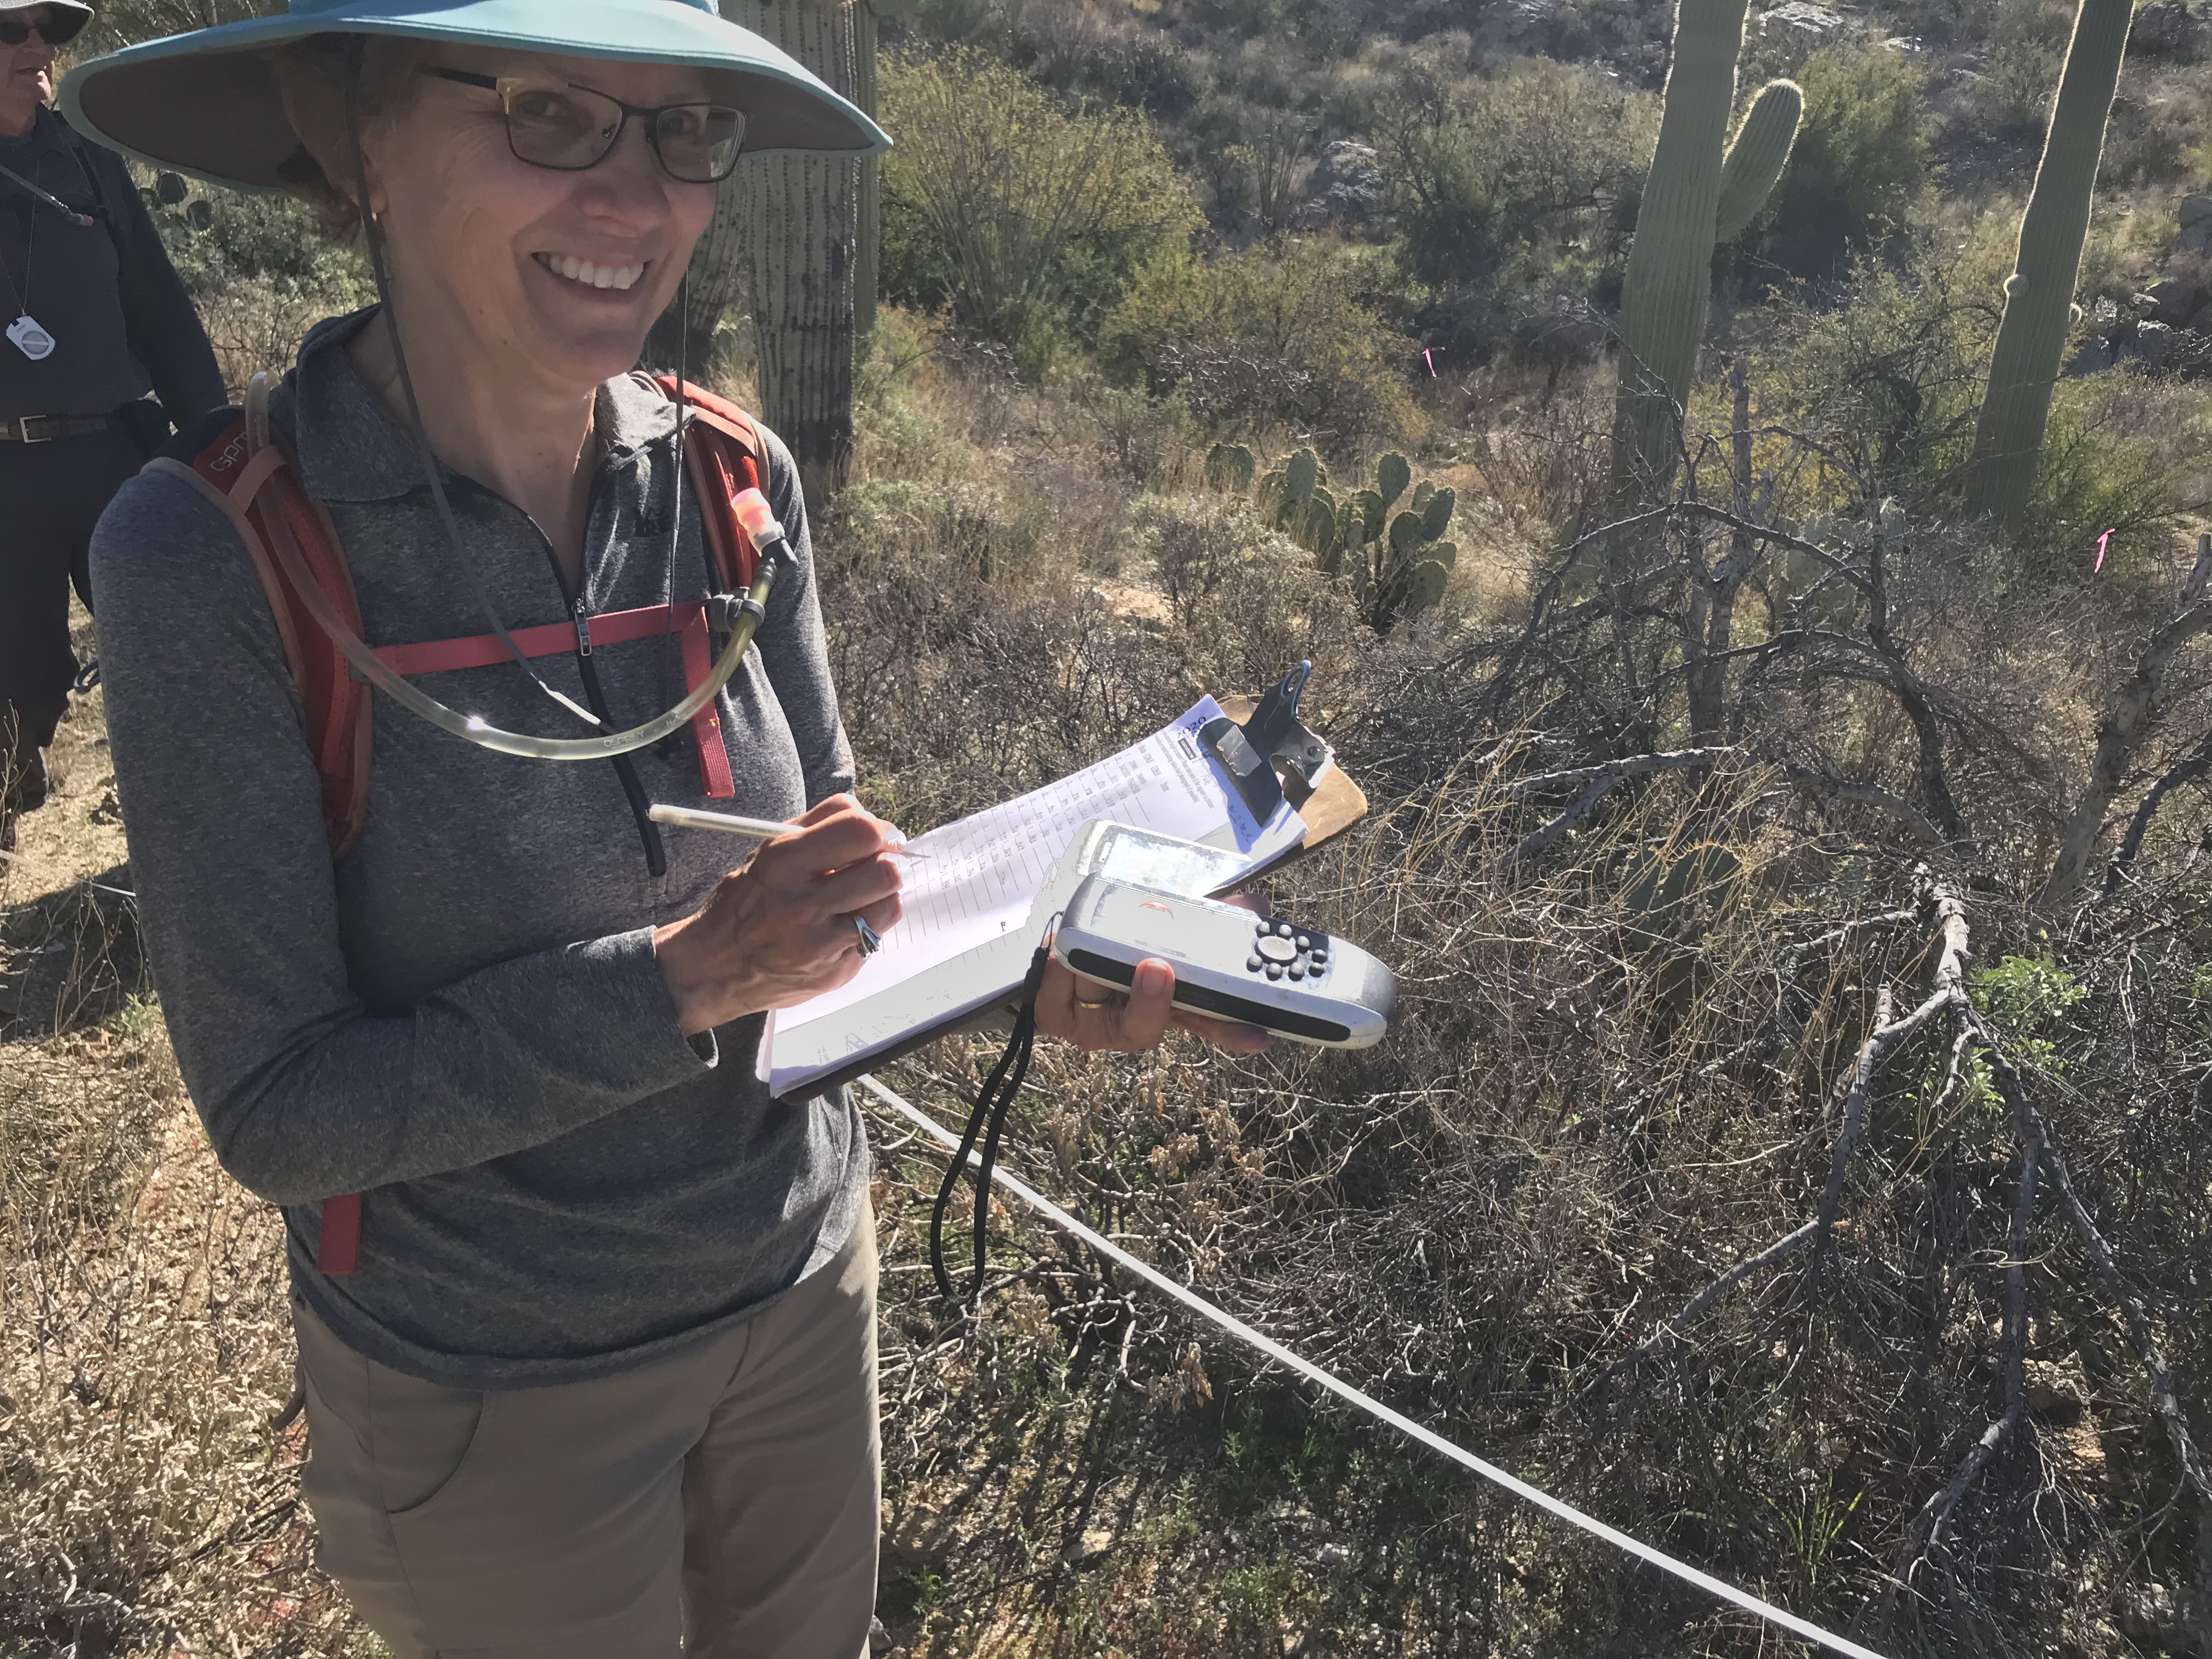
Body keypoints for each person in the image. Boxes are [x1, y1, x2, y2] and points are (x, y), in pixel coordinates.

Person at [65, 3, 1270, 1655]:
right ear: (359, 144)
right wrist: (684, 979)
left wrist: (1013, 974)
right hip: (495, 1393)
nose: (638, 198)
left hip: (797, 1299)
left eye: (682, 129)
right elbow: (279, 1109)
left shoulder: (733, 477)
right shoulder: (211, 557)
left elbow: (832, 902)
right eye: (551, 112)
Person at [0, 0, 223, 845]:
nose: (37, 48)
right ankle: (13, 778)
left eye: (48, 31)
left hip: (109, 455)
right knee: (22, 674)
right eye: (11, 30)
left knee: (166, 648)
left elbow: (157, 308)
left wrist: (212, 429)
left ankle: (184, 843)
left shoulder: (87, 162)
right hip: (5, 476)